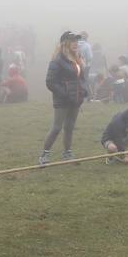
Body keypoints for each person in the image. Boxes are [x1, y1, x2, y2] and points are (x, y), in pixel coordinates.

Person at [39, 31, 88, 165]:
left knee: (70, 127)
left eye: (76, 41)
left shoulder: (77, 58)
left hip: (76, 98)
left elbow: (82, 77)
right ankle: (44, 155)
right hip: (62, 99)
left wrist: (83, 91)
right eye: (73, 41)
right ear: (65, 43)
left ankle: (67, 152)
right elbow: (50, 82)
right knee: (57, 127)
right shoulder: (57, 60)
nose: (76, 44)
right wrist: (65, 94)